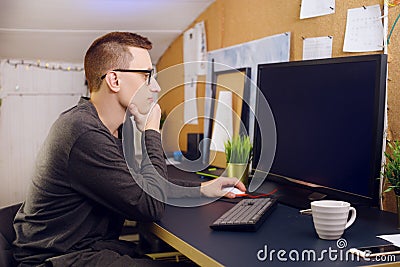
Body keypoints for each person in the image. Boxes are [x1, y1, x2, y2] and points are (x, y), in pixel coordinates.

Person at [13, 32, 246, 267]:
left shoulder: (111, 128)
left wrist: (204, 189)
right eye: (147, 76)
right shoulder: (83, 132)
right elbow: (150, 205)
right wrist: (151, 131)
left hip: (87, 247)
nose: (155, 87)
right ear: (114, 80)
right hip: (55, 259)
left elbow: (139, 187)